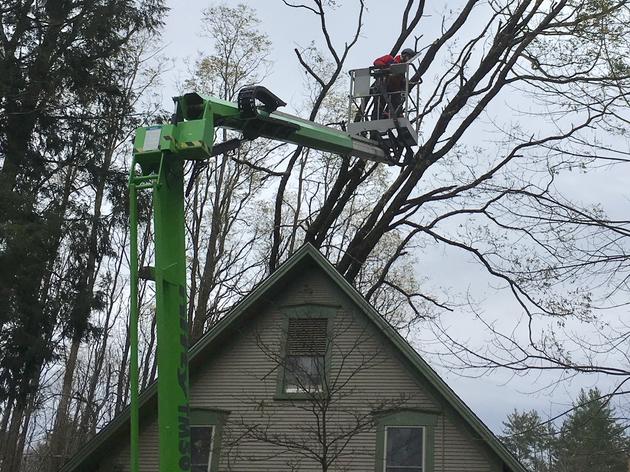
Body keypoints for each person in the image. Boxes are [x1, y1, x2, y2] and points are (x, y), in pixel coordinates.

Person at [371, 48, 415, 120]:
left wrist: (405, 83)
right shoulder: (389, 59)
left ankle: (388, 116)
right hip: (383, 87)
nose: (408, 59)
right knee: (379, 107)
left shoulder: (402, 68)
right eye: (408, 57)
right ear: (404, 55)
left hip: (393, 91)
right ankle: (375, 121)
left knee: (396, 103)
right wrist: (387, 69)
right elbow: (376, 62)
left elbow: (400, 82)